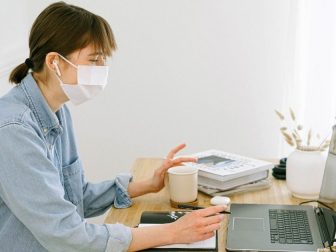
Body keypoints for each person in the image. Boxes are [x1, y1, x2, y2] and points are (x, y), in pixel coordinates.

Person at [0, 2, 226, 251]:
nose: (101, 70)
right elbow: (65, 234)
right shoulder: (14, 129)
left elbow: (75, 196)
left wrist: (146, 185)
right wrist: (171, 232)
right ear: (54, 62)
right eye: (94, 60)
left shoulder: (57, 110)